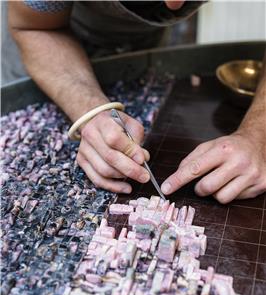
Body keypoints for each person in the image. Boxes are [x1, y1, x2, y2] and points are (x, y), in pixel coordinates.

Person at [7, 1, 266, 203]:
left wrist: (259, 135)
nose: (175, 4)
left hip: (142, 42)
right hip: (48, 43)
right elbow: (35, 26)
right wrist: (90, 109)